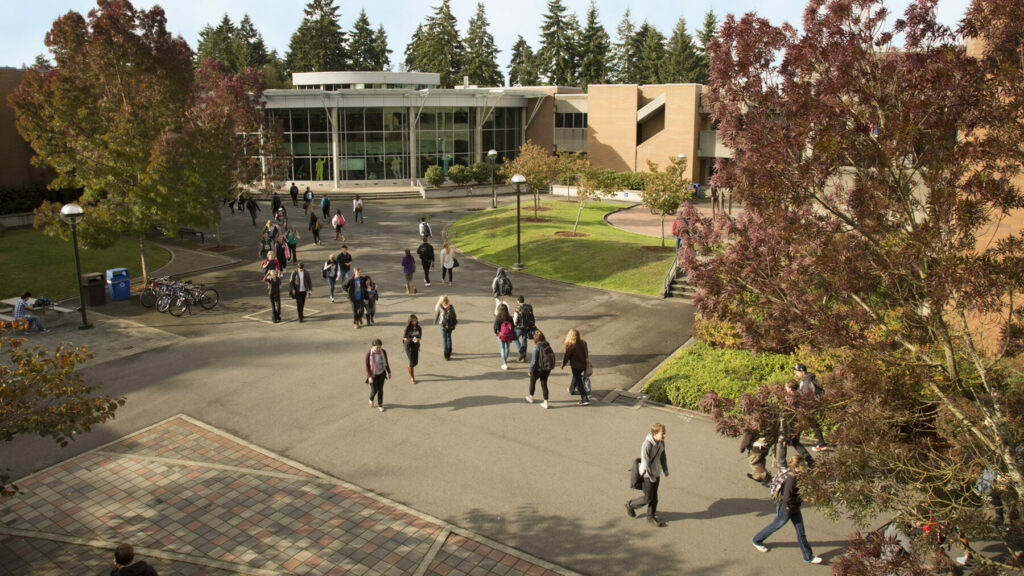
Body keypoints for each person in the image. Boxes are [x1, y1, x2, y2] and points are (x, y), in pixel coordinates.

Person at [752, 455, 823, 564]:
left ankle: (808, 556)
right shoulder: (791, 479)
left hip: (794, 507)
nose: (806, 466)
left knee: (801, 532)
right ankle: (757, 540)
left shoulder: (797, 475)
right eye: (804, 465)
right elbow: (786, 498)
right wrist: (802, 498)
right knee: (776, 525)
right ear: (797, 467)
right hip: (787, 509)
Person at [625, 423, 669, 527]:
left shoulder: (661, 442)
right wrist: (651, 476)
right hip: (647, 476)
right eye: (662, 434)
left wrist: (665, 469)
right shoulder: (647, 445)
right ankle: (631, 505)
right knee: (648, 497)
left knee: (655, 497)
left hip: (656, 473)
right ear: (655, 434)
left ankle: (651, 516)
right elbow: (646, 462)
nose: (664, 436)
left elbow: (663, 456)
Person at [776, 379, 814, 470]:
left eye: (786, 387)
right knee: (795, 442)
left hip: (789, 424)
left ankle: (782, 464)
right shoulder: (800, 396)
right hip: (798, 424)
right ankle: (810, 460)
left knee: (782, 443)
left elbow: (785, 412)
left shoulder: (789, 398)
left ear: (789, 388)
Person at [794, 363, 828, 451]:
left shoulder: (807, 382)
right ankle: (821, 443)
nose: (796, 373)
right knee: (811, 423)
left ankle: (821, 443)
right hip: (808, 406)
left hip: (807, 406)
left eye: (797, 371)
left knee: (809, 423)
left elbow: (806, 395)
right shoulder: (806, 380)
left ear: (802, 371)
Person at [561, 328, 590, 406]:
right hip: (584, 364)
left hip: (575, 366)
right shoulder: (583, 342)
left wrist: (563, 364)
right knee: (576, 377)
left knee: (579, 381)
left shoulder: (571, 345)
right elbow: (586, 352)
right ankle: (571, 389)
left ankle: (584, 399)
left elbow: (566, 356)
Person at [526, 330, 554, 409]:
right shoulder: (547, 344)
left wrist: (530, 370)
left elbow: (534, 361)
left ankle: (531, 397)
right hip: (547, 368)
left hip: (538, 369)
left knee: (532, 382)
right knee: (544, 384)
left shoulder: (536, 347)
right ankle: (546, 402)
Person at [364, 338, 391, 412]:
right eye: (377, 347)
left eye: (380, 347)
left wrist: (389, 372)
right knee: (374, 390)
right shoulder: (369, 354)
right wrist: (369, 376)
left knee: (380, 390)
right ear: (373, 346)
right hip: (373, 375)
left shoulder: (383, 352)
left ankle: (380, 405)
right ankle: (371, 398)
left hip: (381, 373)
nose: (378, 349)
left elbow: (386, 362)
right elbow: (367, 366)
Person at [513, 296, 536, 362]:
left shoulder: (517, 308)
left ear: (518, 301)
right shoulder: (529, 306)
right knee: (524, 340)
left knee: (515, 338)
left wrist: (514, 325)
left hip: (519, 327)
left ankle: (521, 351)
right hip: (527, 327)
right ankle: (524, 358)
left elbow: (515, 318)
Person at [433, 295, 456, 360]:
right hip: (450, 325)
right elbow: (454, 316)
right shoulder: (451, 307)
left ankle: (446, 354)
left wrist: (435, 321)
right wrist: (454, 323)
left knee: (444, 339)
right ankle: (449, 349)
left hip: (443, 324)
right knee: (449, 337)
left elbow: (437, 314)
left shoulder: (440, 307)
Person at [493, 304, 515, 370]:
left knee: (502, 349)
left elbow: (495, 327)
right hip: (508, 335)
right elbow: (513, 326)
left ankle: (504, 363)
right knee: (507, 348)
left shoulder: (498, 318)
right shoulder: (510, 318)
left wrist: (496, 333)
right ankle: (505, 359)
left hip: (501, 335)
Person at [402, 314, 422, 384]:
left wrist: (417, 339)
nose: (414, 322)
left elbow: (419, 337)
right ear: (410, 321)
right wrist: (410, 339)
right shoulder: (408, 328)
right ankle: (412, 377)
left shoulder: (419, 328)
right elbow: (404, 338)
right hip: (409, 346)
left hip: (416, 346)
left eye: (415, 321)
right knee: (411, 362)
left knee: (415, 362)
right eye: (413, 321)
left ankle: (409, 367)